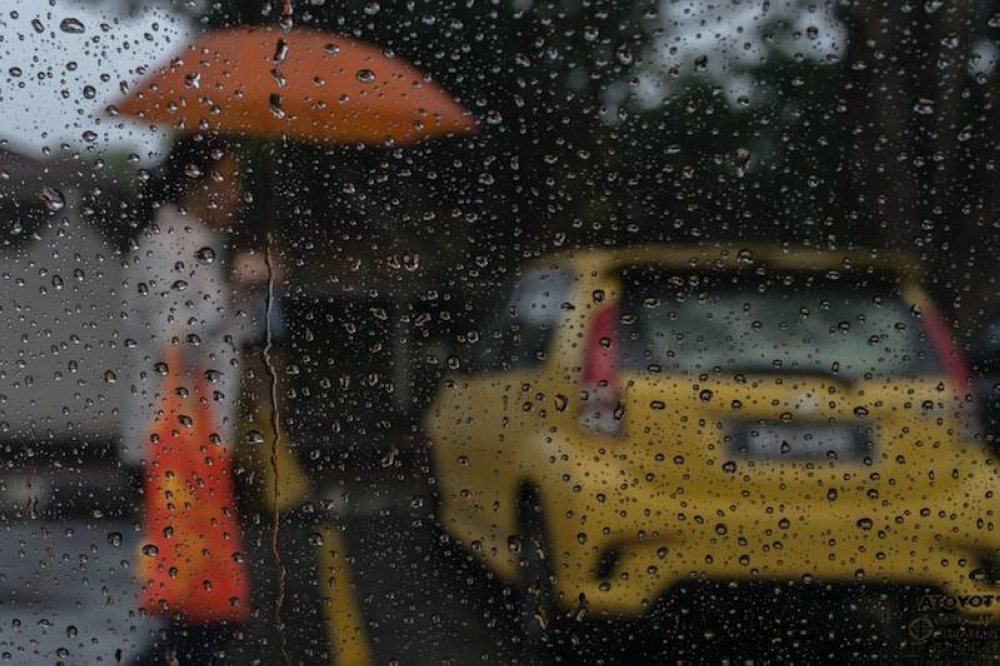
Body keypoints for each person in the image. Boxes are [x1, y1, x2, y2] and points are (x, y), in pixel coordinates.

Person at [124, 133, 259, 665]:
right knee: (198, 613)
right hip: (171, 454)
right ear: (194, 182)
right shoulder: (166, 246)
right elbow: (175, 341)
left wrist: (241, 296)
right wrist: (239, 292)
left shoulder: (199, 243)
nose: (237, 194)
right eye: (229, 180)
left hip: (194, 450)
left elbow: (223, 341)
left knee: (195, 606)